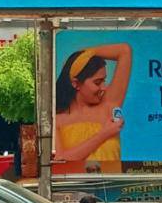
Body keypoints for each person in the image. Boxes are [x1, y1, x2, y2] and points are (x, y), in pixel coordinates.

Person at [54, 43, 132, 173]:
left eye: (104, 80)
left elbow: (124, 51)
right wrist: (104, 134)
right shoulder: (57, 119)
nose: (104, 87)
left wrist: (86, 53)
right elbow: (60, 160)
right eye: (97, 82)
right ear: (76, 84)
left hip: (113, 189)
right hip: (74, 190)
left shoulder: (109, 104)